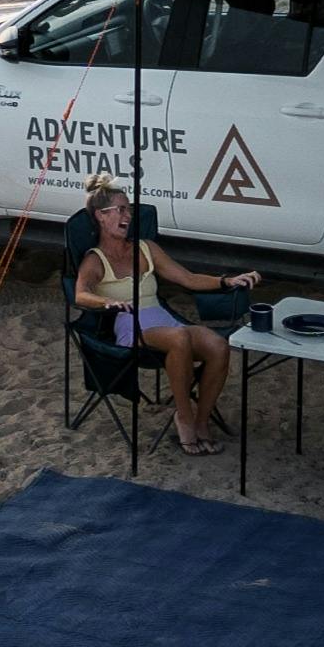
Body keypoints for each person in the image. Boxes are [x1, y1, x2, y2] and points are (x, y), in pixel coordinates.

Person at [72, 178, 265, 459]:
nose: (128, 216)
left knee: (217, 345)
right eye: (121, 210)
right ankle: (184, 418)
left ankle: (201, 421)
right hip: (130, 324)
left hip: (164, 320)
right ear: (102, 217)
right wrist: (107, 301)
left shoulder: (146, 248)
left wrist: (227, 281)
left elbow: (187, 278)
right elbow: (81, 294)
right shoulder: (95, 259)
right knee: (180, 337)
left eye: (129, 210)